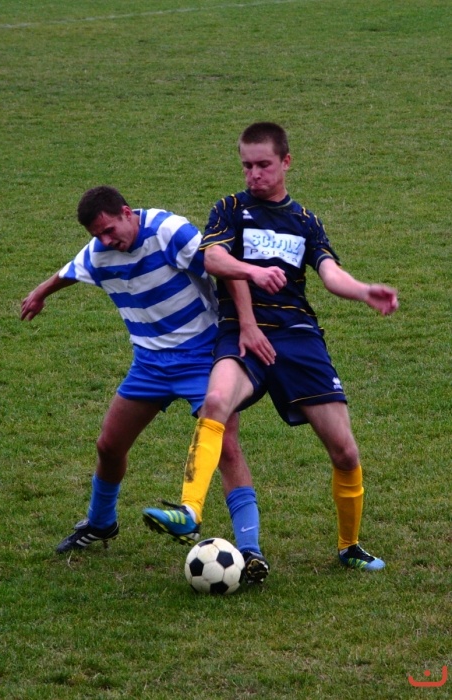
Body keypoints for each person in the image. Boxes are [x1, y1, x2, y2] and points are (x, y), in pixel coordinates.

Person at [142, 122, 399, 572]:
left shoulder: (305, 221)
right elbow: (214, 258)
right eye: (247, 165)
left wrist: (363, 291)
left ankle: (349, 546)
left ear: (286, 162)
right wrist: (253, 283)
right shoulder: (229, 209)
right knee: (216, 401)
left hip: (298, 338)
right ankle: (190, 510)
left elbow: (329, 272)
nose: (254, 174)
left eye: (263, 165)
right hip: (240, 334)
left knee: (345, 451)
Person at [21, 185, 273, 582]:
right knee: (109, 446)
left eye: (109, 230)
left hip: (203, 356)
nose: (106, 241)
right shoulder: (100, 251)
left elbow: (223, 267)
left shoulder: (169, 231)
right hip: (150, 366)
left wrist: (246, 324)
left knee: (226, 447)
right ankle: (101, 523)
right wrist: (41, 292)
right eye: (97, 235)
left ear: (127, 212)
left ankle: (251, 551)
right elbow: (72, 270)